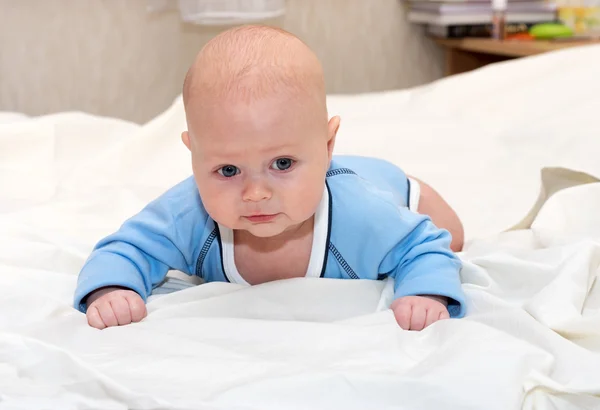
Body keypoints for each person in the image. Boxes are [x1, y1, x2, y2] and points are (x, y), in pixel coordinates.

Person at [74, 25, 466, 331]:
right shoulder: (189, 211)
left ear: (327, 146)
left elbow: (424, 246)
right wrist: (113, 288)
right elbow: (127, 248)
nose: (256, 193)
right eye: (228, 170)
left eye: (282, 164)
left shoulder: (365, 214)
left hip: (380, 181)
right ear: (194, 155)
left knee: (454, 235)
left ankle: (382, 177)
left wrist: (427, 292)